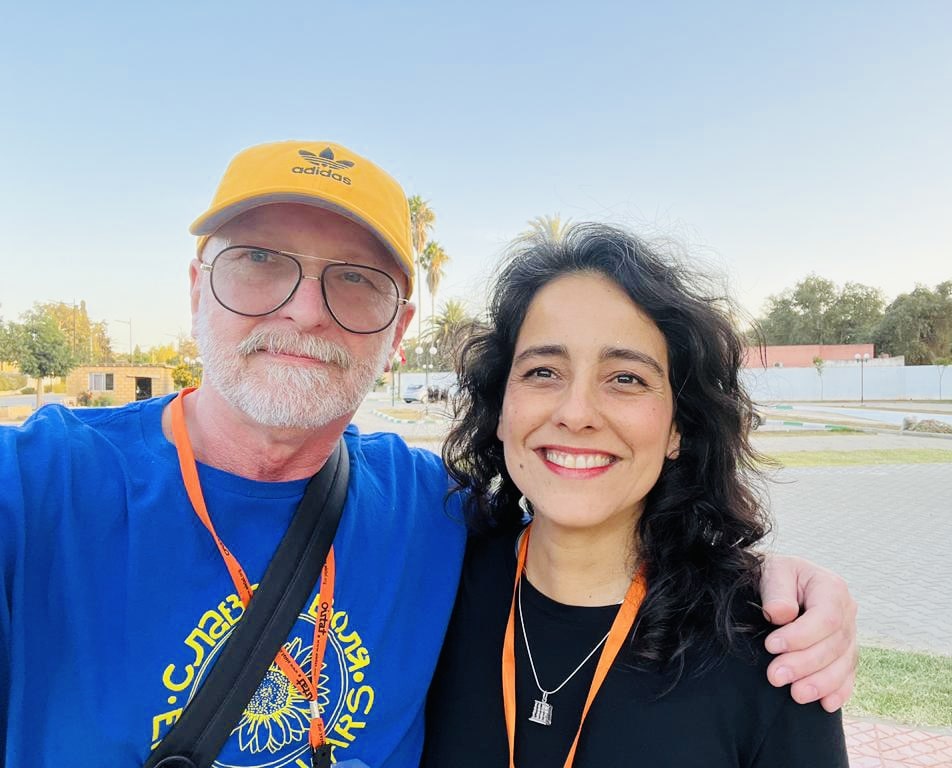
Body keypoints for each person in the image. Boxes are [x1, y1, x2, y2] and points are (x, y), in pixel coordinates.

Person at [0, 141, 854, 768]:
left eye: (355, 278)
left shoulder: (429, 514)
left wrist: (779, 588)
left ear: (399, 329)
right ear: (196, 287)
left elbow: (601, 537)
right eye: (259, 261)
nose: (304, 310)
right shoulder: (41, 488)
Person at [423, 224, 849, 766]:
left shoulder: (774, 649)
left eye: (625, 378)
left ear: (677, 428)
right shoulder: (433, 591)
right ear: (502, 409)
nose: (576, 413)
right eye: (543, 371)